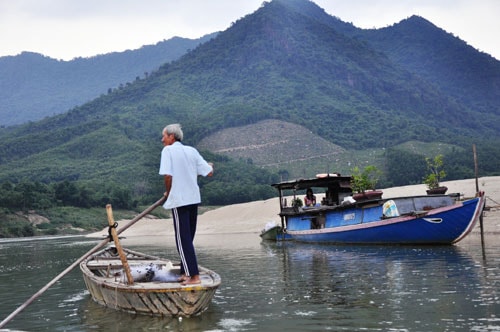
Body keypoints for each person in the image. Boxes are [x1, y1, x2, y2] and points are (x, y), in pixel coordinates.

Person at [159, 123, 213, 285]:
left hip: (180, 200)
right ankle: (185, 272)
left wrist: (168, 193)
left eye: (164, 136)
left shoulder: (167, 151)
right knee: (188, 238)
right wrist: (210, 165)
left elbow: (168, 175)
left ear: (171, 137)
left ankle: (194, 277)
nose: (162, 140)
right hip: (193, 199)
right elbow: (209, 172)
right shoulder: (192, 151)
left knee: (182, 239)